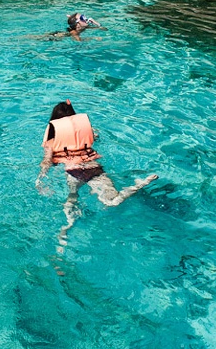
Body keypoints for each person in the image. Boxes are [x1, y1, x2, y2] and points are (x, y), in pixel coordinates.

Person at [36, 100, 157, 251]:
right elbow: (96, 138)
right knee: (112, 202)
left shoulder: (51, 142)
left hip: (73, 173)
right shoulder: (88, 133)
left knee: (71, 203)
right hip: (92, 169)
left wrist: (41, 178)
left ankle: (66, 230)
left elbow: (46, 162)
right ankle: (139, 184)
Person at [40, 13, 105, 41]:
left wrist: (96, 23)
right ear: (78, 24)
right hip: (56, 37)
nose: (86, 19)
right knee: (38, 38)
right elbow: (79, 42)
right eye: (82, 18)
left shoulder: (83, 27)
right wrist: (92, 38)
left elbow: (104, 29)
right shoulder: (74, 32)